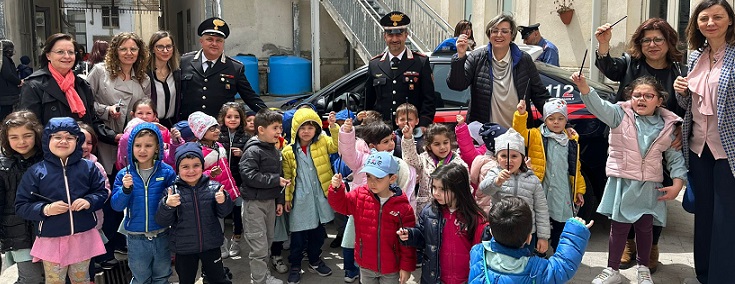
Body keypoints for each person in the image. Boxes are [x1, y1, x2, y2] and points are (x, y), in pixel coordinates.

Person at [572, 74, 686, 284]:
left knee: (645, 228)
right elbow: (599, 106)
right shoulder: (619, 115)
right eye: (637, 95)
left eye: (648, 95)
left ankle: (643, 268)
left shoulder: (668, 126)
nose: (641, 99)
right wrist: (584, 87)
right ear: (630, 97)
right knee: (619, 228)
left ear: (659, 100)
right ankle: (612, 269)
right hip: (622, 183)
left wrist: (678, 183)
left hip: (650, 184)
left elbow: (674, 157)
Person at [595, 17, 687, 272]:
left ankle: (652, 247)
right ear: (639, 43)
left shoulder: (680, 70)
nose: (653, 44)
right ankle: (628, 243)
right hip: (627, 141)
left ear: (669, 42)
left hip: (661, 144)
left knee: (654, 196)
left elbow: (686, 106)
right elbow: (609, 68)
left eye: (658, 39)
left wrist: (681, 128)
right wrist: (604, 45)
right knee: (626, 194)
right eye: (646, 40)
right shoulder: (630, 64)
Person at [673, 1, 735, 283]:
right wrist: (680, 91)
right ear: (696, 23)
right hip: (698, 146)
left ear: (730, 21)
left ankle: (722, 277)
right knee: (704, 215)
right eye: (704, 18)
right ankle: (704, 273)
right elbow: (691, 104)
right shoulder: (696, 55)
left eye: (718, 17)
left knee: (725, 217)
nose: (710, 23)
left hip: (728, 150)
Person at [15, 117, 108, 284]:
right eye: (57, 136)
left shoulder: (89, 168)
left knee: (82, 279)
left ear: (77, 141)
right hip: (51, 238)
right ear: (47, 140)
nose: (63, 141)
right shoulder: (36, 172)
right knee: (55, 281)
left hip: (83, 236)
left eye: (70, 137)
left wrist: (89, 201)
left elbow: (101, 193)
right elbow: (21, 205)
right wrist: (45, 209)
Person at [338, 119, 417, 282]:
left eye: (391, 140)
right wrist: (346, 133)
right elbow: (348, 153)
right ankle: (351, 269)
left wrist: (406, 266)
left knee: (387, 243)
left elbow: (405, 180)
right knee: (355, 241)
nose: (390, 144)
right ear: (373, 146)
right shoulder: (362, 159)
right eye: (385, 141)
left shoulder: (392, 161)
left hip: (386, 212)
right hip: (362, 209)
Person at [447, 13, 550, 128]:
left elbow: (540, 95)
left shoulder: (524, 60)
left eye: (505, 31)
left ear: (512, 35)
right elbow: (457, 85)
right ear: (489, 34)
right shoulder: (477, 58)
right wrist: (460, 56)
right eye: (495, 31)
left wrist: (564, 124)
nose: (499, 35)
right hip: (484, 137)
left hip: (518, 136)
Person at [155, 142, 234, 284]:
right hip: (184, 249)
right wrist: (167, 205)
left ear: (202, 167)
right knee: (186, 280)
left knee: (218, 279)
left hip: (211, 245)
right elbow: (162, 220)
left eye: (196, 165)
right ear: (178, 168)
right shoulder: (172, 192)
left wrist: (223, 201)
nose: (191, 171)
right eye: (185, 167)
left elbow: (224, 213)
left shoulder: (214, 187)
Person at [513, 98, 586, 250]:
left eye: (560, 118)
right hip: (541, 188)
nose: (556, 122)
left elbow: (575, 167)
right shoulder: (535, 135)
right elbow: (519, 134)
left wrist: (579, 190)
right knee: (540, 221)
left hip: (562, 190)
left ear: (566, 120)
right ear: (545, 119)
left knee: (560, 224)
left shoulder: (571, 139)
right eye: (551, 118)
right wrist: (521, 115)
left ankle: (558, 253)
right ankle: (539, 252)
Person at [468, 196, 593, 283]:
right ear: (529, 238)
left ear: (490, 231)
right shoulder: (536, 269)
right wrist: (575, 230)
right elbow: (563, 265)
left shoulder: (478, 254)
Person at [397, 163, 486, 284]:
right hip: (435, 278)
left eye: (443, 189)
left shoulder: (474, 217)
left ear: (459, 188)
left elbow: (480, 252)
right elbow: (423, 238)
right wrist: (410, 235)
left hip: (466, 279)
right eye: (434, 187)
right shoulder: (429, 212)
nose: (436, 193)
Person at [111, 122, 177, 284]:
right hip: (136, 237)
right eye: (138, 145)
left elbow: (175, 199)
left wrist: (170, 201)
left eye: (148, 145)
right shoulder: (123, 174)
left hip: (162, 233)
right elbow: (116, 205)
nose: (142, 150)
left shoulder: (166, 171)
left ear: (157, 148)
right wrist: (126, 190)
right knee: (140, 278)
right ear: (131, 148)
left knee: (162, 276)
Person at [281, 108, 338, 283]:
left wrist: (334, 127)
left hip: (319, 196)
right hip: (299, 199)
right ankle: (296, 265)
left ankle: (314, 259)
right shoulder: (288, 151)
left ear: (317, 129)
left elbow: (336, 145)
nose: (306, 132)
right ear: (295, 129)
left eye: (311, 128)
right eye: (302, 127)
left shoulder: (322, 143)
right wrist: (288, 199)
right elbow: (288, 177)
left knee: (318, 233)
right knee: (297, 236)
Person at [87, 31, 151, 175]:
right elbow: (85, 103)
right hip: (104, 137)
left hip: (133, 140)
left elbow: (147, 107)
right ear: (115, 51)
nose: (129, 53)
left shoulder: (144, 79)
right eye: (123, 49)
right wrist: (106, 110)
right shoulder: (100, 72)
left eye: (133, 49)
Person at [479, 128, 550, 255]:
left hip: (527, 233)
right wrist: (496, 181)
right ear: (496, 157)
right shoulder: (495, 173)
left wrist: (543, 237)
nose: (509, 160)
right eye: (504, 156)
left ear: (522, 158)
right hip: (501, 231)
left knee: (524, 265)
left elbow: (541, 209)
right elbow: (484, 189)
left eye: (514, 156)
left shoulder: (532, 179)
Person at [179, 17, 266, 119]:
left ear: (223, 43)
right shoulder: (184, 62)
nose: (214, 44)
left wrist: (268, 115)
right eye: (209, 39)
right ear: (201, 41)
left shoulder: (235, 68)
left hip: (219, 127)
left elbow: (250, 97)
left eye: (219, 40)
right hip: (189, 125)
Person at [239, 108, 288, 284]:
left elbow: (279, 174)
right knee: (259, 246)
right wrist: (275, 180)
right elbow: (248, 176)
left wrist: (279, 200)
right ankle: (258, 280)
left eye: (280, 128)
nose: (279, 132)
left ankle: (263, 276)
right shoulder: (253, 151)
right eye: (275, 128)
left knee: (266, 242)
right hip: (254, 204)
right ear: (261, 129)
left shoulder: (273, 149)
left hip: (269, 202)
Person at [364, 11, 436, 129]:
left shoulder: (420, 62)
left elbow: (429, 100)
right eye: (390, 35)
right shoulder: (375, 64)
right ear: (385, 36)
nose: (394, 39)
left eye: (398, 35)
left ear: (406, 35)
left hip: (411, 131)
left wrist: (422, 126)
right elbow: (367, 101)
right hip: (381, 133)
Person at [0, 111, 45, 284]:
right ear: (6, 138)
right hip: (16, 232)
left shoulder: (48, 160)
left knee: (48, 276)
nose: (21, 142)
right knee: (31, 278)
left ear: (37, 134)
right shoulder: (3, 165)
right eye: (14, 137)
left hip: (45, 230)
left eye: (27, 135)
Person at [18, 33, 98, 126]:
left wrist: (114, 136)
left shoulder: (82, 84)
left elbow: (92, 120)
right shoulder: (33, 85)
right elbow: (30, 126)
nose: (67, 56)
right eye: (60, 52)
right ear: (48, 55)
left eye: (71, 52)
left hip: (80, 139)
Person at [402, 123, 467, 213]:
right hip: (426, 210)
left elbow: (466, 191)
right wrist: (408, 138)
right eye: (437, 144)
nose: (442, 147)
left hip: (451, 211)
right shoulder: (424, 159)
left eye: (445, 142)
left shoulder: (459, 165)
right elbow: (410, 159)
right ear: (429, 146)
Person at [217, 102, 250, 258]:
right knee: (220, 213)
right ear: (223, 118)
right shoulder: (217, 135)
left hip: (238, 181)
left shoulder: (246, 137)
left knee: (238, 212)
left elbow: (251, 159)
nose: (232, 120)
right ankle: (222, 242)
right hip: (221, 182)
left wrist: (243, 154)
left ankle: (236, 239)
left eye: (236, 117)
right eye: (229, 116)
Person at [148, 31, 181, 128]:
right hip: (151, 124)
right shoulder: (146, 73)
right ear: (153, 49)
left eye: (169, 46)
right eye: (160, 47)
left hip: (172, 125)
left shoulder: (176, 73)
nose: (165, 51)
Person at [0, 39, 22, 120]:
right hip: (7, 93)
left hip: (5, 93)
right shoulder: (4, 59)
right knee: (6, 115)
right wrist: (19, 81)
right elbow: (8, 74)